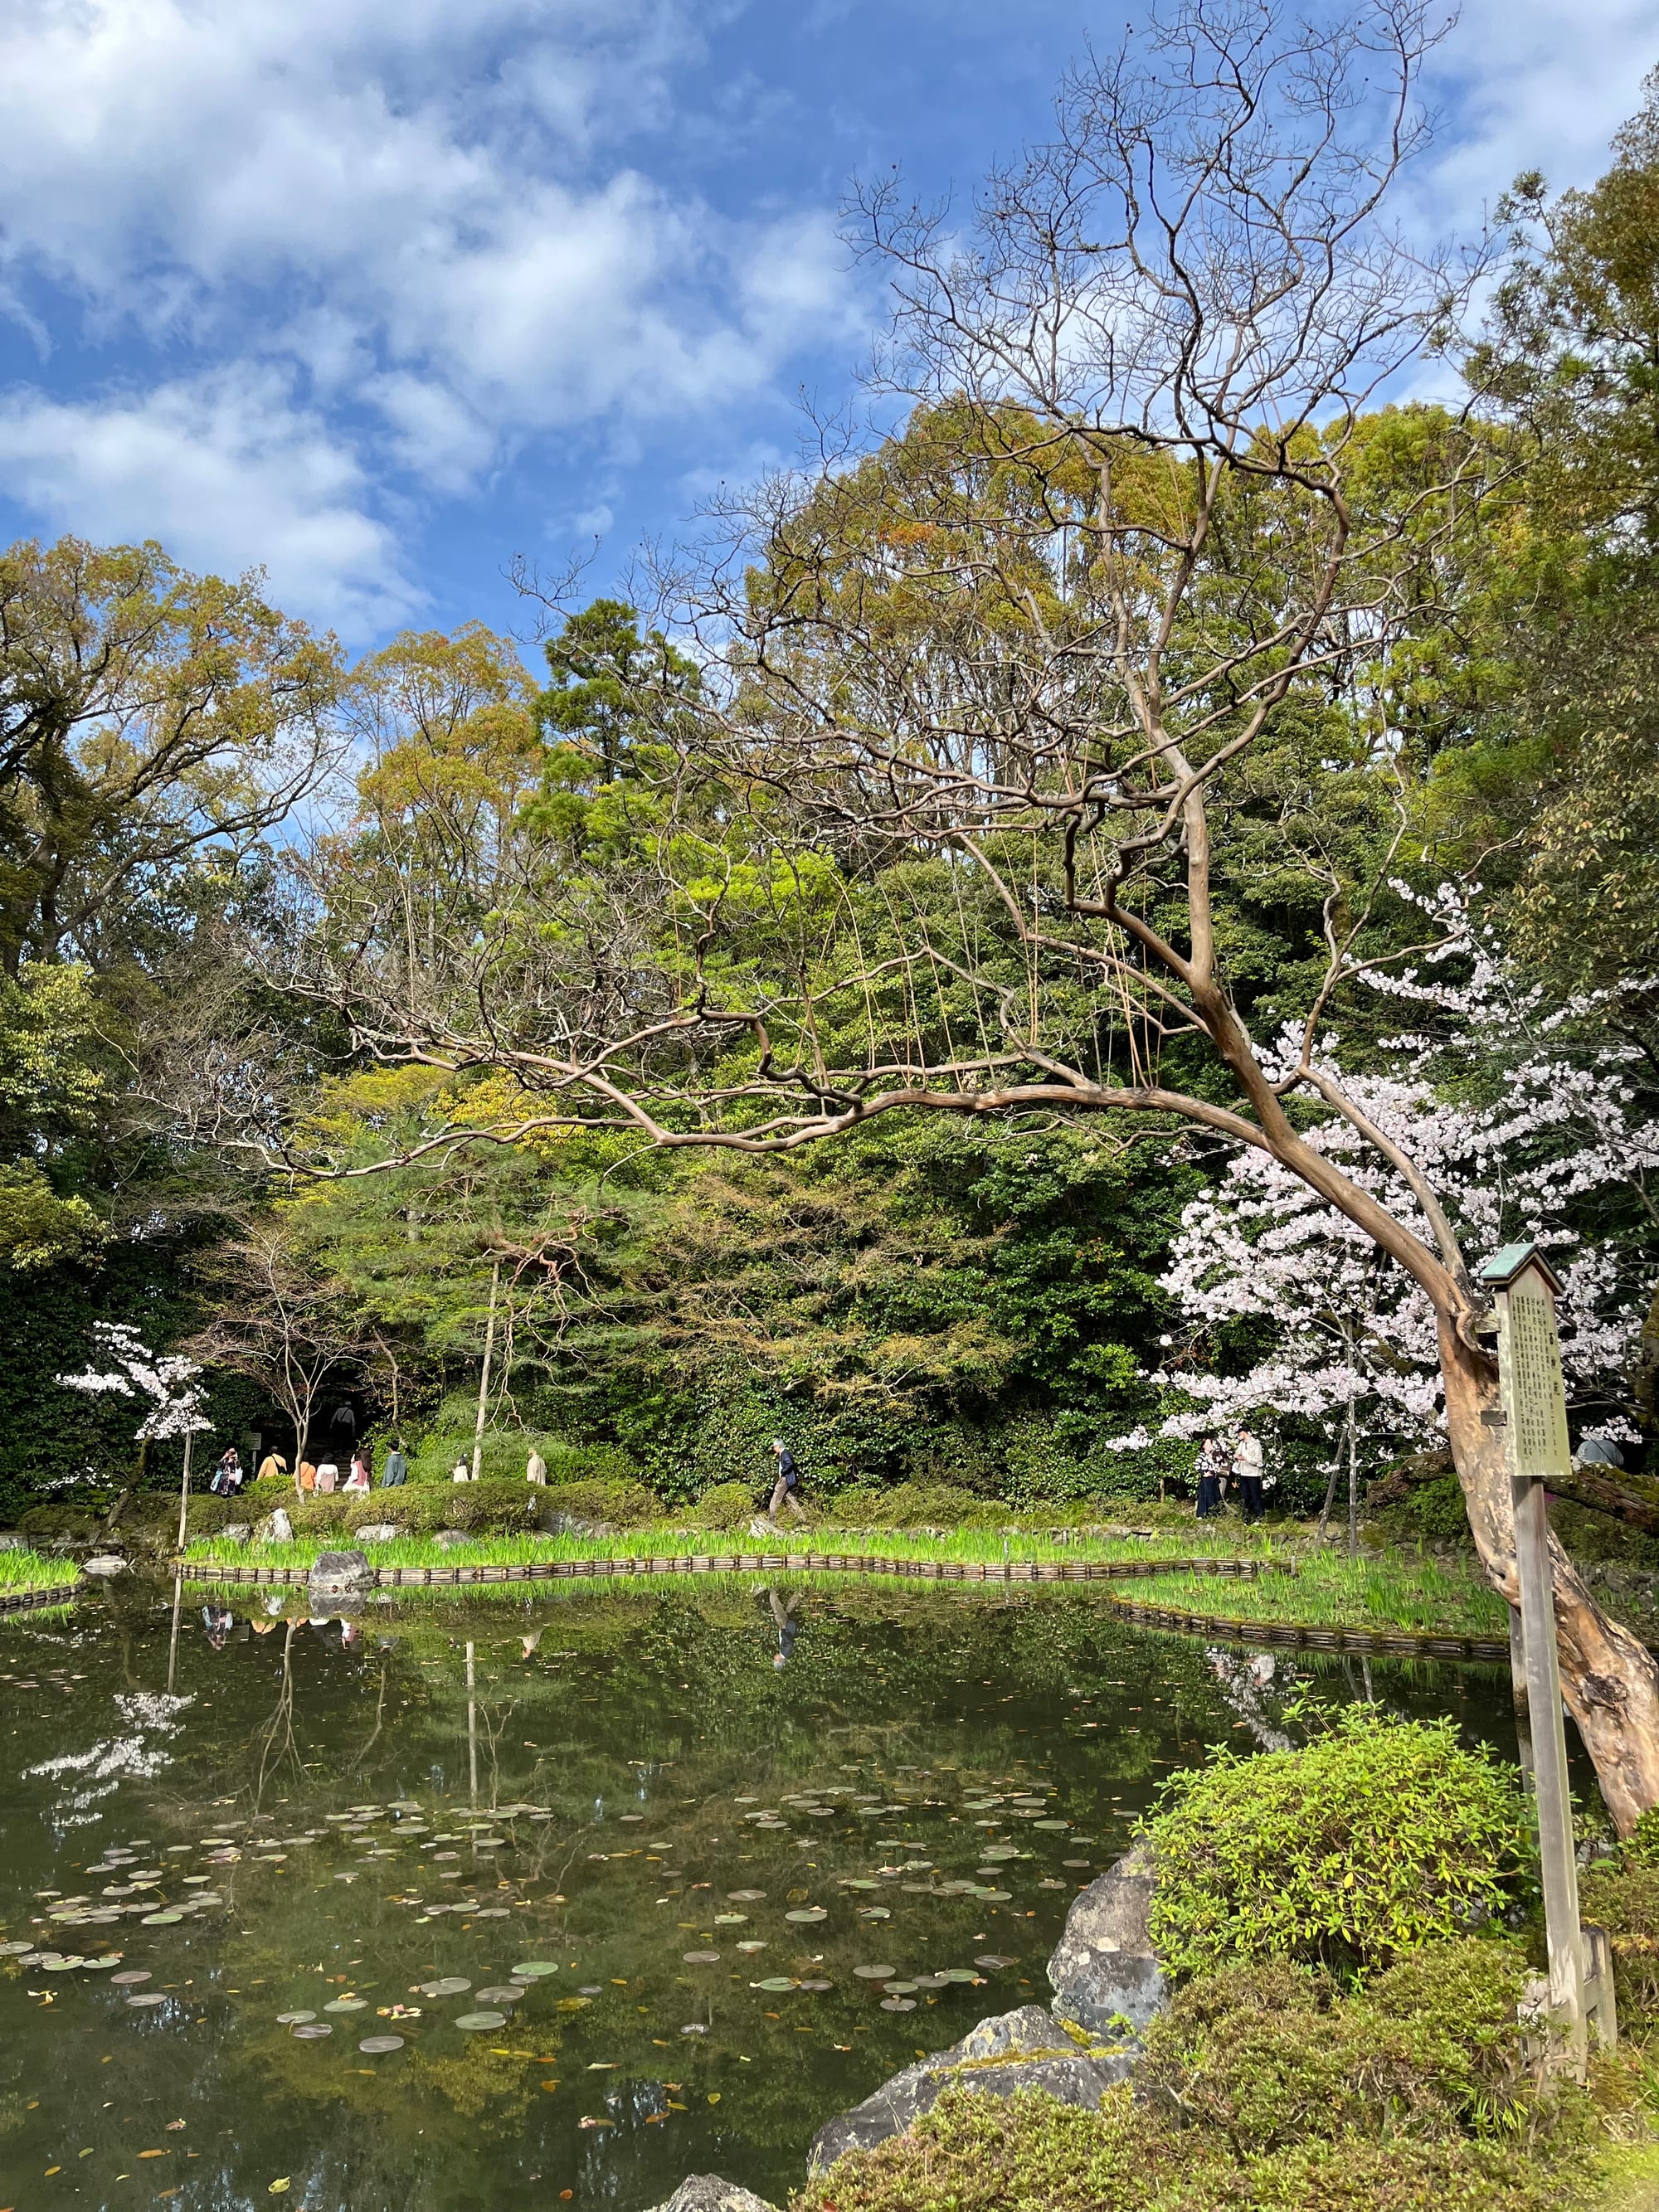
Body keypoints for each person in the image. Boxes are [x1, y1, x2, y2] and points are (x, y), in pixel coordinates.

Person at [766, 1437, 806, 1523]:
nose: (773, 1449)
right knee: (790, 1497)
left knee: (775, 1498)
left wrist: (782, 1471)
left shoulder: (784, 1454)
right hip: (789, 1480)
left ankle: (772, 1520)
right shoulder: (786, 1453)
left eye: (774, 1447)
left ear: (778, 1446)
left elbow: (789, 1463)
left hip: (785, 1479)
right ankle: (802, 1517)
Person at [1233, 1422, 1265, 1524]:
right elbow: (1237, 1453)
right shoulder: (1242, 1444)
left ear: (1244, 1432)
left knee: (1255, 1496)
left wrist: (1245, 1458)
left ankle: (1259, 1517)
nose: (1239, 1436)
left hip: (1253, 1474)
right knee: (1245, 1496)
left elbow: (1258, 1460)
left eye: (1240, 1433)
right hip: (1243, 1473)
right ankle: (1246, 1517)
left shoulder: (1256, 1444)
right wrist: (1236, 1456)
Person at [1194, 1435, 1226, 1519]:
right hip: (1207, 1478)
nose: (1210, 1446)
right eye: (1207, 1444)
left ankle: (1216, 1513)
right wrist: (1203, 1473)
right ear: (1203, 1446)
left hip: (1214, 1477)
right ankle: (1203, 1514)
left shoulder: (1213, 1456)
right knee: (1206, 1495)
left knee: (1215, 1494)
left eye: (1210, 1444)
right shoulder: (1202, 1455)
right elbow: (1196, 1465)